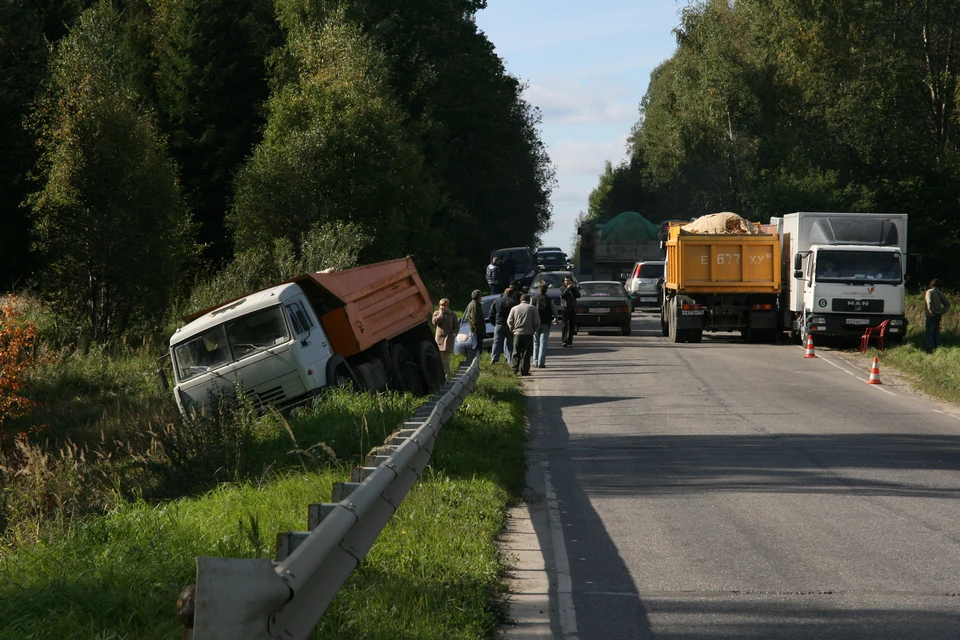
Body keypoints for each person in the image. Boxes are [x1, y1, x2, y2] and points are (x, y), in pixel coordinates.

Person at [507, 293, 541, 376]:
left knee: (516, 352)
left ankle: (514, 369)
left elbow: (509, 321)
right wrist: (534, 330)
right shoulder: (533, 308)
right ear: (529, 300)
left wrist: (512, 329)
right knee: (526, 353)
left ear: (520, 300)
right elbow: (537, 322)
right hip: (528, 333)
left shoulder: (514, 308)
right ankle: (525, 371)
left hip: (517, 333)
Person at [531, 282, 559, 368]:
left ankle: (535, 362)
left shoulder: (534, 299)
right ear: (546, 291)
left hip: (536, 324)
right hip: (546, 323)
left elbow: (530, 309)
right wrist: (556, 318)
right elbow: (554, 310)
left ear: (538, 290)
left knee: (536, 343)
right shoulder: (549, 299)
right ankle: (541, 362)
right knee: (543, 343)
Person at [488, 286, 518, 363]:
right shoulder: (514, 302)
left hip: (499, 324)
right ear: (512, 294)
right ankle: (510, 360)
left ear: (504, 293)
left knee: (497, 342)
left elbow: (491, 314)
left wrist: (494, 324)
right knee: (510, 343)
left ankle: (494, 357)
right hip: (510, 325)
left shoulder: (496, 301)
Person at [431, 298, 459, 377]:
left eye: (444, 306)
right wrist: (440, 314)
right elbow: (434, 322)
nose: (442, 307)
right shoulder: (436, 313)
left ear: (447, 306)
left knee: (447, 361)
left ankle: (448, 376)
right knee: (440, 360)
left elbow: (456, 326)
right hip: (439, 340)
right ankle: (440, 377)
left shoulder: (453, 314)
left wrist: (454, 334)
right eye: (441, 305)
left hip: (449, 340)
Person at [925, 279, 951, 354]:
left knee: (929, 333)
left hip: (931, 315)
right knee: (936, 333)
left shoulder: (929, 292)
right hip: (938, 315)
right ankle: (938, 350)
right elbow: (947, 304)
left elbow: (929, 303)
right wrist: (941, 312)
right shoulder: (940, 293)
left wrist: (931, 312)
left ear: (931, 284)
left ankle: (930, 350)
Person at [463, 289, 484, 362]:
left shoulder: (474, 304)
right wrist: (477, 329)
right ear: (479, 297)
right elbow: (474, 319)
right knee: (476, 347)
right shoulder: (474, 305)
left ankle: (476, 361)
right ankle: (474, 362)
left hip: (476, 330)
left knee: (477, 347)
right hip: (476, 331)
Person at [559, 275, 580, 347]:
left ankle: (570, 341)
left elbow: (578, 295)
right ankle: (564, 341)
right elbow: (563, 295)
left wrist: (574, 288)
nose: (567, 282)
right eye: (566, 281)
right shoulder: (562, 288)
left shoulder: (573, 288)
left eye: (568, 281)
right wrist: (567, 289)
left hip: (572, 309)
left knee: (572, 326)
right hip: (565, 309)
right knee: (565, 326)